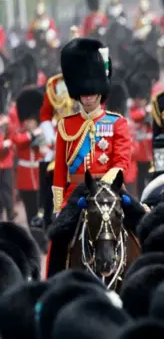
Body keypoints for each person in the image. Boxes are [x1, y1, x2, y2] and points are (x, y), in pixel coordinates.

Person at [52, 38, 131, 214]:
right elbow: (59, 171)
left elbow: (122, 161)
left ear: (100, 91)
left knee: (140, 228)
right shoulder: (65, 125)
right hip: (75, 194)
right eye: (83, 93)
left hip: (111, 191)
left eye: (91, 92)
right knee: (57, 239)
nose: (87, 97)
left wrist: (106, 183)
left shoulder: (117, 123)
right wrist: (58, 206)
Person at [13, 88, 46, 224]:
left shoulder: (42, 133)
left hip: (40, 177)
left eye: (30, 120)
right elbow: (18, 140)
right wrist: (32, 134)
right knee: (30, 212)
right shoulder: (22, 134)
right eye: (26, 120)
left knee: (42, 211)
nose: (27, 123)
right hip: (26, 181)